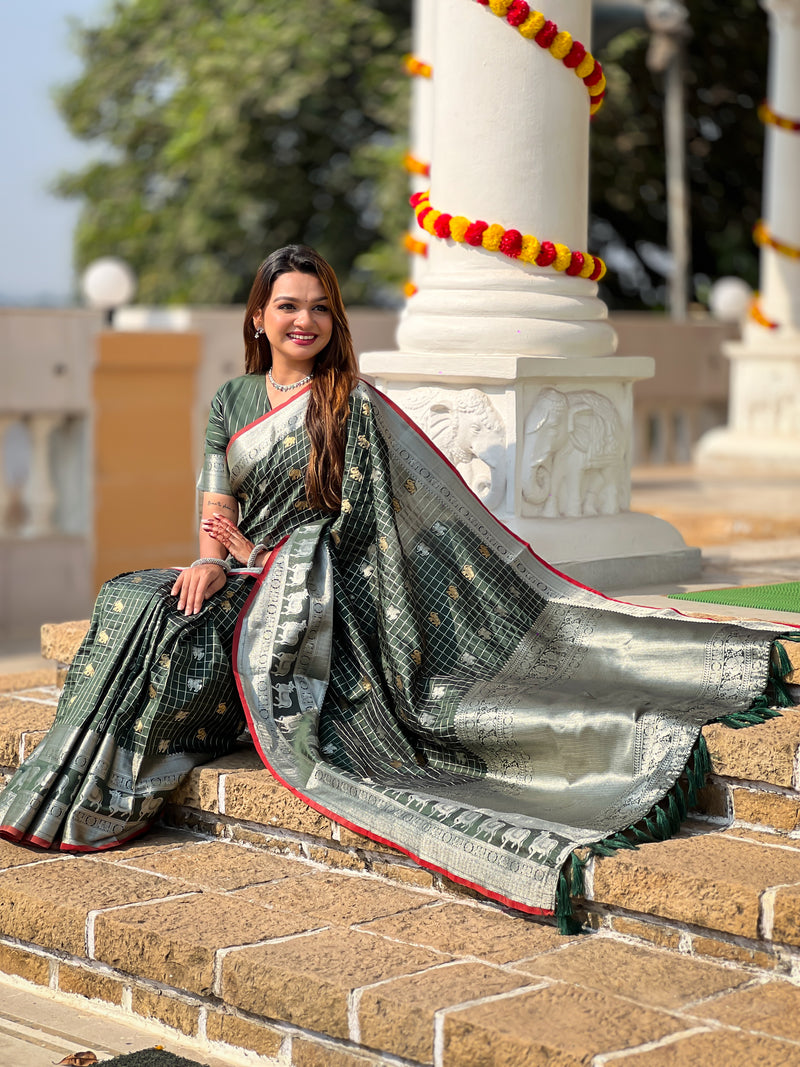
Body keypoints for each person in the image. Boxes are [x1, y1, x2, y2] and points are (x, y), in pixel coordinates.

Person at [0, 246, 795, 927]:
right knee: (133, 596)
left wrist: (273, 555)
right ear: (257, 318)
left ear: (333, 321)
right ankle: (74, 788)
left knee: (178, 629)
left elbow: (367, 531)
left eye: (317, 308)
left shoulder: (353, 403)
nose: (302, 321)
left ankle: (119, 786)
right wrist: (212, 555)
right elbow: (217, 506)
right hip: (242, 571)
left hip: (307, 594)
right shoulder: (232, 402)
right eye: (286, 306)